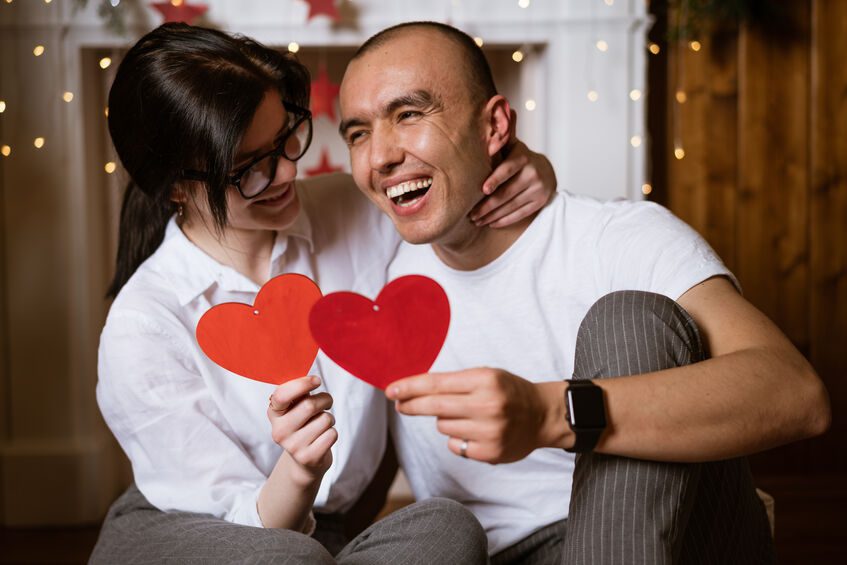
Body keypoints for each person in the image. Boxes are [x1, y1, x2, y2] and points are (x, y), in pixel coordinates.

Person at [337, 21, 832, 564]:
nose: (379, 155)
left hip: (673, 537)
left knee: (629, 320)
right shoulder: (373, 266)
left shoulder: (617, 238)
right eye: (358, 132)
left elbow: (796, 394)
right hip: (489, 553)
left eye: (409, 114)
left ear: (497, 126)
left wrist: (553, 412)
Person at [89, 22, 557, 564]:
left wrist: (521, 166)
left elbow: (448, 187)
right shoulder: (142, 328)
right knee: (291, 559)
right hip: (199, 531)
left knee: (448, 527)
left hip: (328, 534)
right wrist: (300, 467)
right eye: (251, 168)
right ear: (175, 187)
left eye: (286, 137)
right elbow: (247, 524)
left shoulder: (351, 209)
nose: (289, 170)